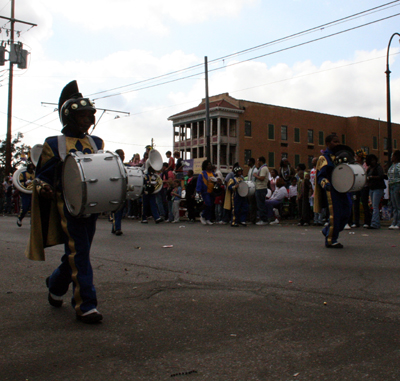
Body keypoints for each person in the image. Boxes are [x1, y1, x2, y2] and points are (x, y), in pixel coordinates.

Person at [25, 80, 104, 323]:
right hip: (67, 205)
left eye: (90, 114)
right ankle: (85, 305)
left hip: (90, 206)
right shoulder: (53, 143)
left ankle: (56, 285)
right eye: (84, 115)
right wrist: (45, 186)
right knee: (79, 252)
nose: (90, 118)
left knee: (77, 251)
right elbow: (41, 177)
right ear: (70, 117)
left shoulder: (97, 143)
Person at [315, 134, 352, 248]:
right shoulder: (324, 158)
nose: (338, 144)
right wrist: (325, 184)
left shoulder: (341, 156)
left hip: (343, 188)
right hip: (331, 190)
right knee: (335, 215)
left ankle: (327, 230)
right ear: (328, 143)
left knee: (347, 212)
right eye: (335, 142)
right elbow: (321, 176)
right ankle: (331, 239)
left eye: (338, 141)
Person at [366, 154, 386, 229]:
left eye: (374, 160)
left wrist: (371, 177)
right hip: (372, 188)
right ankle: (374, 222)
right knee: (373, 206)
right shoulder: (370, 168)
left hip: (377, 187)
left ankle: (375, 223)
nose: (373, 161)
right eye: (371, 160)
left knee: (375, 206)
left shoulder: (378, 167)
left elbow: (381, 176)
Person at [196, 159, 216, 225]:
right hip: (205, 192)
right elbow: (199, 183)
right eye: (208, 165)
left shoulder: (213, 173)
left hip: (212, 191)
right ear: (205, 166)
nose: (210, 166)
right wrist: (198, 191)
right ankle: (203, 216)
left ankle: (208, 218)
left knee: (211, 206)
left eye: (210, 164)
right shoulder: (202, 174)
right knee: (207, 204)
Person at [111, 149, 125, 236]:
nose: (123, 156)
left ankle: (114, 227)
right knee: (118, 211)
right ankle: (117, 228)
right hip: (115, 191)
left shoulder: (122, 165)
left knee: (119, 211)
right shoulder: (114, 166)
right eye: (122, 154)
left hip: (121, 190)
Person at [16, 162, 35, 227]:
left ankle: (32, 222)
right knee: (25, 207)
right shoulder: (23, 174)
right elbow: (20, 183)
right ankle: (20, 218)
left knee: (34, 208)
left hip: (33, 192)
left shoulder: (35, 174)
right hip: (26, 192)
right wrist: (26, 183)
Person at [254, 156, 270, 226]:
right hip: (260, 188)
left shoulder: (263, 168)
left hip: (261, 188)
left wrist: (255, 175)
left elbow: (262, 178)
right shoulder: (262, 168)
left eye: (258, 161)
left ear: (261, 161)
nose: (257, 163)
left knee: (261, 205)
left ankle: (264, 219)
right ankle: (263, 218)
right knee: (260, 204)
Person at [388, 150, 400, 229]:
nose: (391, 157)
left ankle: (398, 223)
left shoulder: (399, 166)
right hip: (392, 185)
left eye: (392, 156)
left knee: (398, 205)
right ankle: (394, 222)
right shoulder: (392, 166)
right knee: (394, 205)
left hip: (397, 185)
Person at [247, 158, 257, 224]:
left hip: (253, 188)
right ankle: (250, 218)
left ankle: (253, 219)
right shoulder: (250, 169)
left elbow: (253, 180)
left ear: (252, 162)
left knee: (252, 205)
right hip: (249, 188)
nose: (248, 162)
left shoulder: (255, 170)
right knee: (250, 204)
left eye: (249, 161)